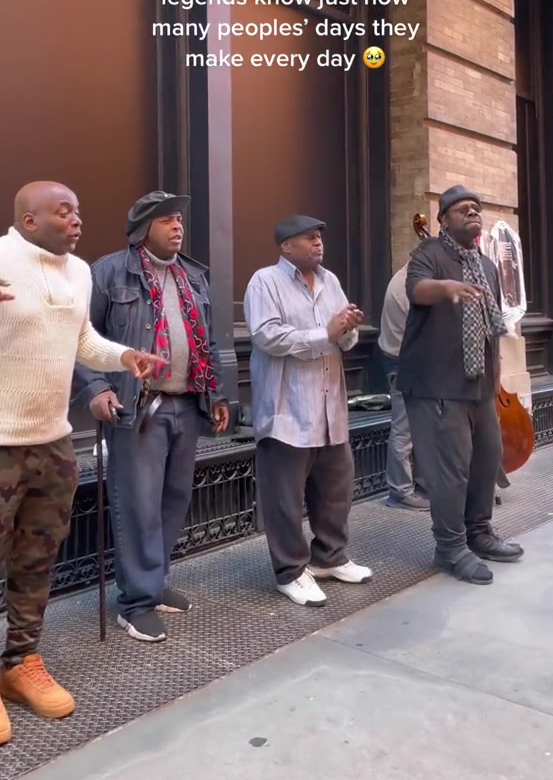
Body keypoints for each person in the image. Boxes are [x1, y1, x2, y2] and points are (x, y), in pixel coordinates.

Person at [0, 181, 162, 745]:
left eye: (78, 210)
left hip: (53, 443)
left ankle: (19, 662)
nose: (76, 220)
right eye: (63, 212)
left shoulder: (78, 272)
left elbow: (83, 339)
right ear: (28, 220)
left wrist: (124, 355)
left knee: (36, 561)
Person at [72, 191, 229, 643]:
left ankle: (154, 583)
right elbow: (80, 337)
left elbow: (208, 341)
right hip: (137, 406)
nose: (177, 227)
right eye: (166, 220)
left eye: (179, 219)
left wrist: (218, 393)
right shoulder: (109, 272)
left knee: (173, 500)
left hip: (187, 403)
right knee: (137, 504)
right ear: (143, 229)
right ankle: (135, 602)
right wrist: (97, 389)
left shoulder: (193, 276)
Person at [397, 185, 524, 586]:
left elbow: (491, 323)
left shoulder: (486, 265)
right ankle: (449, 548)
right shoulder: (428, 254)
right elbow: (416, 289)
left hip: (480, 383)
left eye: (476, 208)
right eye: (462, 209)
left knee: (487, 461)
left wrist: (497, 368)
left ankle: (479, 533)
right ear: (443, 220)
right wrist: (446, 287)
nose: (473, 213)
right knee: (450, 472)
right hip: (437, 383)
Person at [244, 215, 372, 608]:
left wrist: (347, 329)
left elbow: (343, 338)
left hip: (330, 406)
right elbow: (267, 336)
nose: (318, 243)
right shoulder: (265, 281)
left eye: (320, 237)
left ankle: (329, 557)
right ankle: (290, 572)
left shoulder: (330, 280)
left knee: (335, 488)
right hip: (287, 409)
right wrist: (326, 333)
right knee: (284, 498)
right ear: (286, 246)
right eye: (309, 238)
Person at [378, 263, 429, 511]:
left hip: (403, 359)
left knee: (414, 426)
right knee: (404, 428)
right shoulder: (411, 284)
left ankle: (415, 484)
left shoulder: (405, 277)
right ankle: (400, 492)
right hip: (404, 362)